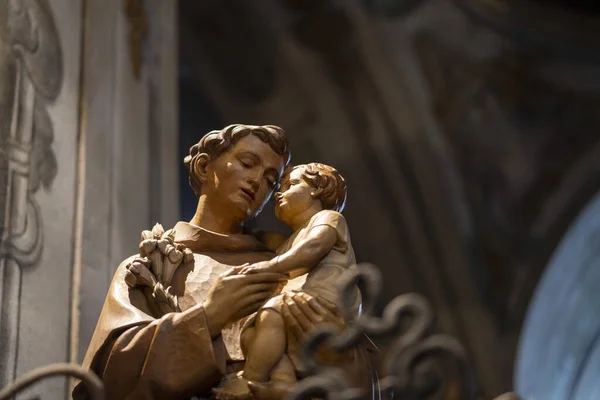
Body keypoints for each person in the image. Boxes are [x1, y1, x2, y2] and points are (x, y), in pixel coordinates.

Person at [73, 124, 378, 400]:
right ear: (205, 166)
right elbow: (109, 377)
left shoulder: (288, 266)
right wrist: (210, 316)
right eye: (247, 163)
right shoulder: (153, 266)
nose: (258, 181)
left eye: (272, 181)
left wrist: (340, 355)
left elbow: (367, 384)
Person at [213, 163, 361, 400]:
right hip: (295, 304)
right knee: (250, 335)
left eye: (291, 185)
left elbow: (311, 249)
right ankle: (284, 382)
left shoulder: (329, 219)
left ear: (316, 189)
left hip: (323, 303)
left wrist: (271, 265)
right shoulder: (288, 242)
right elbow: (277, 245)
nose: (279, 194)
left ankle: (249, 379)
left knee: (272, 312)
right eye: (278, 188)